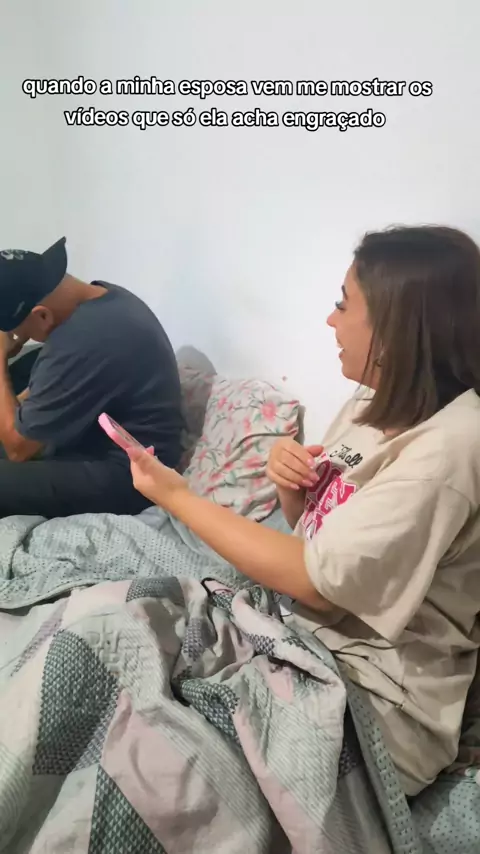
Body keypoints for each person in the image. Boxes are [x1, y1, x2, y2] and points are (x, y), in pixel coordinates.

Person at [125, 224, 480, 797]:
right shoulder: (374, 399)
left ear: (396, 327)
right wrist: (290, 483)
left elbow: (319, 583)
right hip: (303, 628)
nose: (330, 321)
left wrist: (177, 497)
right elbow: (320, 538)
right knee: (126, 632)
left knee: (151, 750)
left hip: (377, 697)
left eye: (343, 304)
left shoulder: (451, 449)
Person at [0, 237, 184, 517]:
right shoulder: (106, 296)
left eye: (17, 331)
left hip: (133, 473)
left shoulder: (79, 342)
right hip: (104, 425)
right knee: (30, 362)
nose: (16, 337)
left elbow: (18, 450)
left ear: (42, 316)